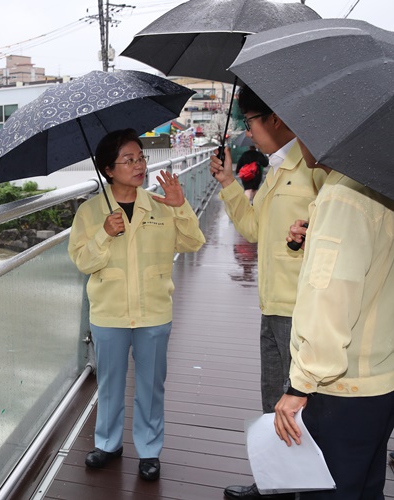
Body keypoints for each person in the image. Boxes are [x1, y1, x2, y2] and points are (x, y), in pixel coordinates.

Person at [209, 86, 326, 500]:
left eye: (250, 122)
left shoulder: (316, 167)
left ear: (274, 119)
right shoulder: (276, 168)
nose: (249, 132)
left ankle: (300, 487)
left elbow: (334, 231)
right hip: (273, 304)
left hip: (305, 309)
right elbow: (256, 228)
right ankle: (276, 481)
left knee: (301, 404)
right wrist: (226, 181)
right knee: (273, 398)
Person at [68, 129, 204, 482]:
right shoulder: (89, 212)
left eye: (141, 157)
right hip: (109, 312)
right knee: (110, 385)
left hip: (154, 310)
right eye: (128, 160)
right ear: (108, 170)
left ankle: (149, 450)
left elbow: (193, 243)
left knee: (151, 385)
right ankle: (108, 444)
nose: (139, 165)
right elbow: (83, 262)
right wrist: (104, 233)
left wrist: (181, 206)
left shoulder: (160, 204)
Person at [274, 141, 394, 499]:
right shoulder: (379, 180)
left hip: (341, 385)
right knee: (366, 488)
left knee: (327, 490)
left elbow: (331, 300)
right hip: (380, 375)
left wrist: (300, 386)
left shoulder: (343, 196)